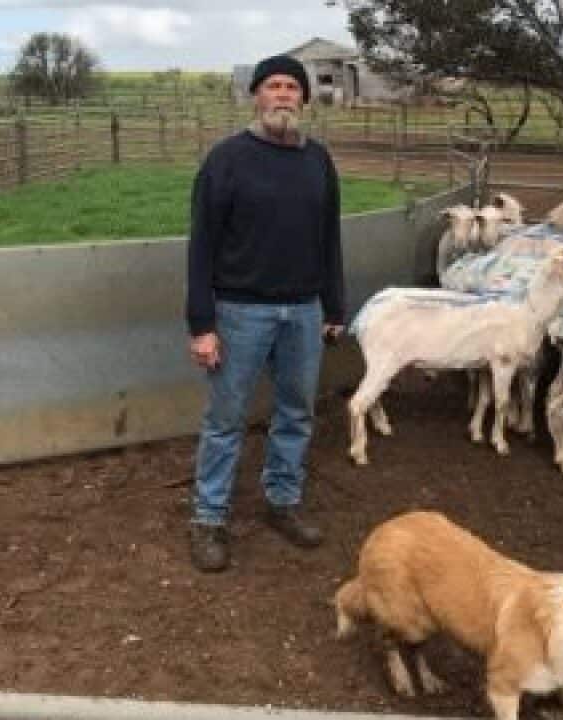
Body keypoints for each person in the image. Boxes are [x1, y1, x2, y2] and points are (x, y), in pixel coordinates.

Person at [184, 55, 346, 573]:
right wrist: (202, 323)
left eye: (291, 87)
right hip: (240, 312)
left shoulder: (318, 161)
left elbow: (329, 240)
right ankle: (209, 518)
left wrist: (334, 305)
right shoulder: (227, 159)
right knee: (226, 419)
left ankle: (282, 502)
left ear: (303, 99)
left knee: (297, 413)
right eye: (272, 85)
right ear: (256, 96)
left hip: (302, 311)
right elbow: (202, 244)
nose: (282, 94)